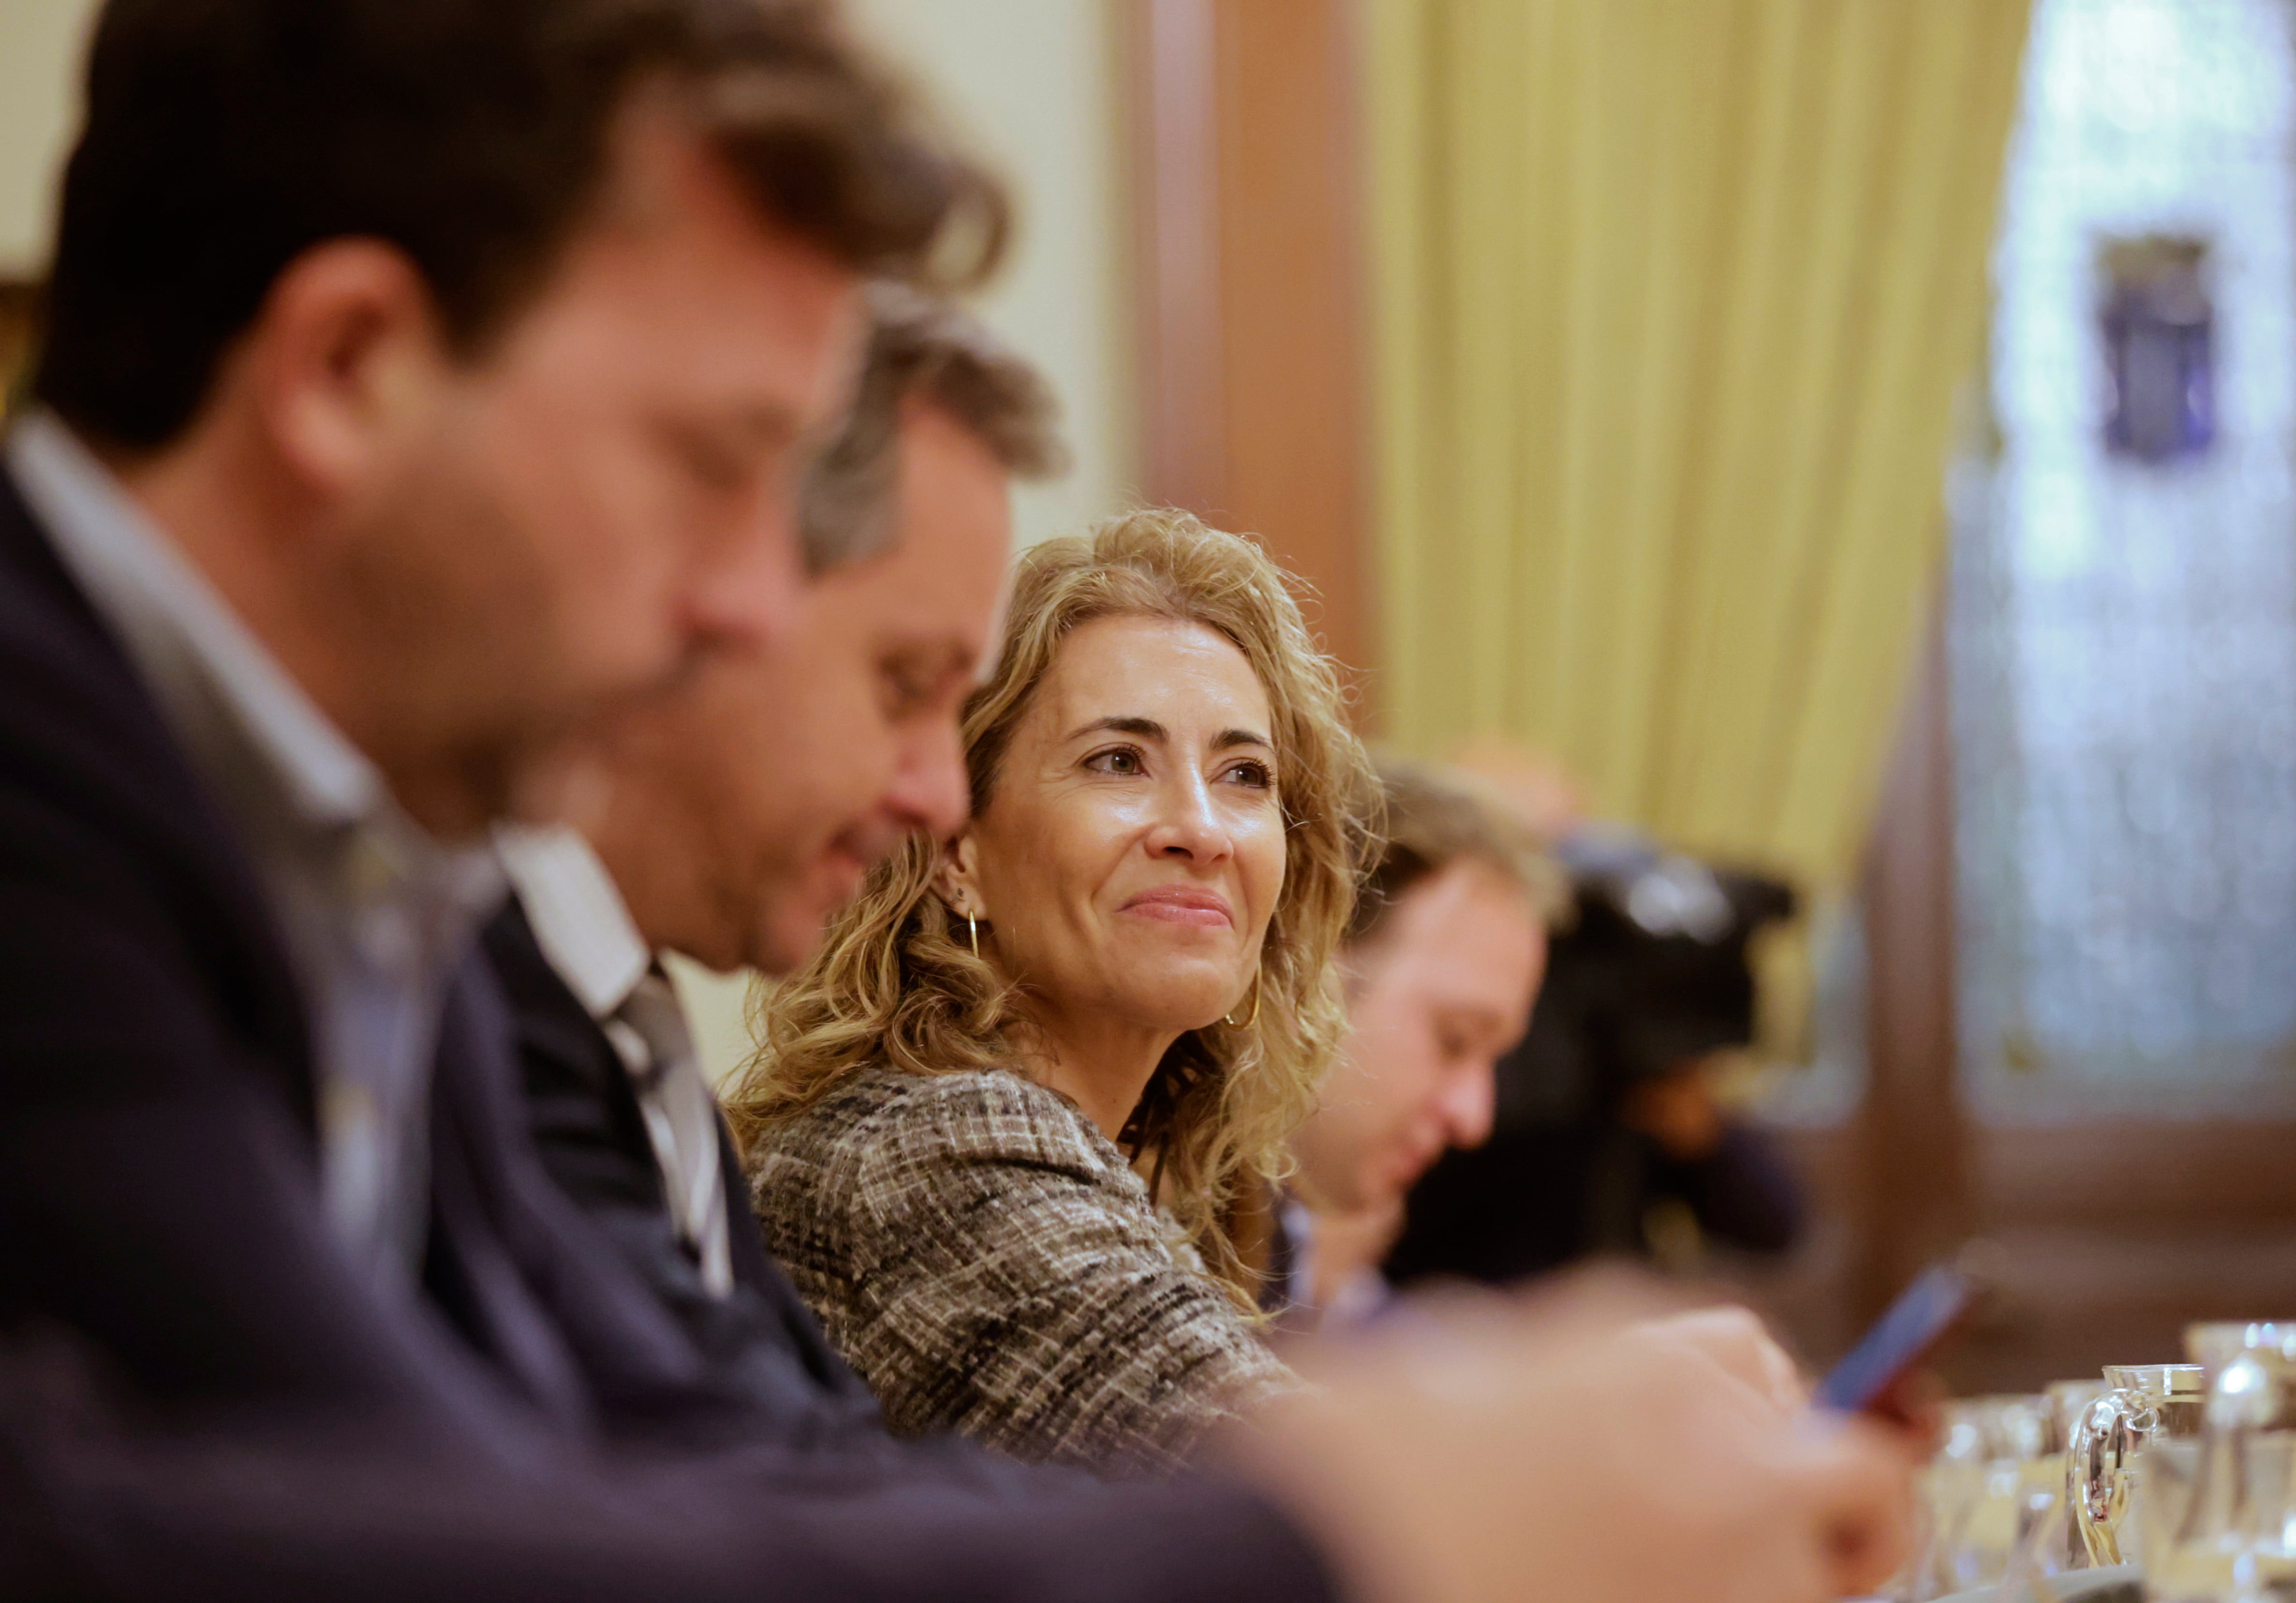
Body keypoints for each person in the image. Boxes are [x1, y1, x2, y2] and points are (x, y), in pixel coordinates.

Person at [0, 1, 1914, 1597]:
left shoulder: (364, 882)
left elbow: (656, 1468)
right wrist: (1340, 1518)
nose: (747, 604)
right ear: (348, 369)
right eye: (705, 466)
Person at [489, 287, 1060, 1451]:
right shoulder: (461, 992)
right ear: (716, 597)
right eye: (904, 684)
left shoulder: (627, 1025)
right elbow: (715, 1490)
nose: (941, 794)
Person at [729, 510, 1381, 1474]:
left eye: (1244, 775)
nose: (1202, 829)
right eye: (1118, 760)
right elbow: (1320, 1501)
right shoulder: (930, 1144)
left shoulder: (1144, 1176)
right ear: (959, 851)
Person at [1384, 830, 1807, 1289]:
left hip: (1594, 1322)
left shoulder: (1648, 1097)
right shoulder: (1477, 1090)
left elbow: (1776, 1226)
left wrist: (1704, 1139)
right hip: (1449, 1320)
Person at [1272, 757, 1561, 1328]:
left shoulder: (1289, 1242)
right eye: (1454, 1040)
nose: (1472, 1119)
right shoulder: (1118, 1230)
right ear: (1302, 969)